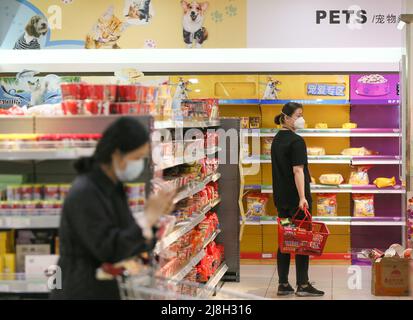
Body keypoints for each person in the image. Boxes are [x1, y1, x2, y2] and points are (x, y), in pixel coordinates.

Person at [50, 117, 175, 300]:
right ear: (117, 154)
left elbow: (129, 240)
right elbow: (109, 250)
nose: (139, 165)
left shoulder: (113, 187)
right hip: (82, 291)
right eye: (137, 158)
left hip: (105, 289)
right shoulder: (86, 192)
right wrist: (147, 219)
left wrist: (155, 220)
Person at [271, 102, 324, 297]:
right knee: (302, 240)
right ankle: (302, 284)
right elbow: (298, 170)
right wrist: (302, 197)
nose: (301, 119)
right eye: (298, 115)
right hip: (296, 202)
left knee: (285, 239)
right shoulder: (297, 141)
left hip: (281, 202)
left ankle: (283, 284)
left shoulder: (277, 140)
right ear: (286, 117)